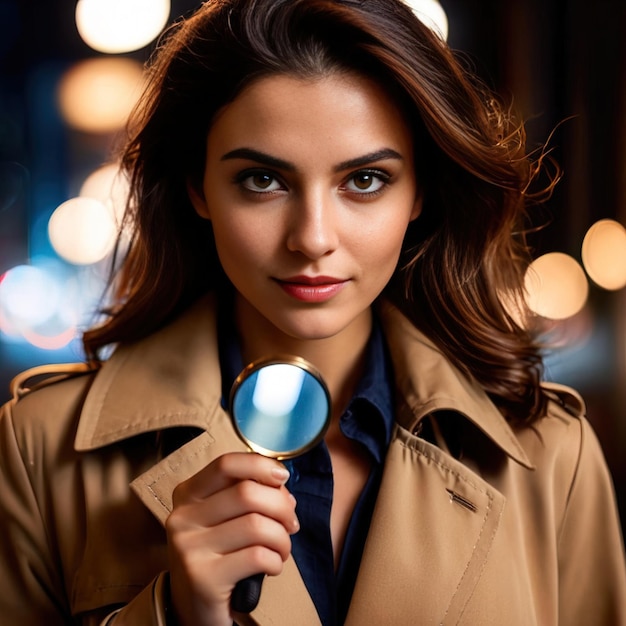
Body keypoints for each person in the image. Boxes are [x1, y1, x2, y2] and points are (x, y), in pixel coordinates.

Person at [1, 0, 625, 623]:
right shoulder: (37, 453)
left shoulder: (551, 455)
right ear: (198, 187)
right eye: (263, 181)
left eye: (365, 180)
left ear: (420, 193)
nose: (313, 238)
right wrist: (171, 612)